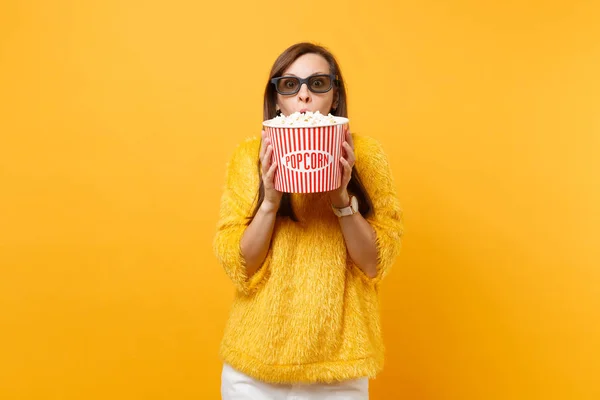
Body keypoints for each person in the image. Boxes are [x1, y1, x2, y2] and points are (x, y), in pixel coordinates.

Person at [213, 42, 404, 399]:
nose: (304, 96)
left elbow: (375, 262)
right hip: (254, 365)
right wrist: (270, 202)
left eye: (317, 84)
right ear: (277, 101)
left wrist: (341, 197)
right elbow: (240, 264)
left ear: (334, 97)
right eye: (290, 85)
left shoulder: (366, 155)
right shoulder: (249, 157)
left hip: (338, 367)